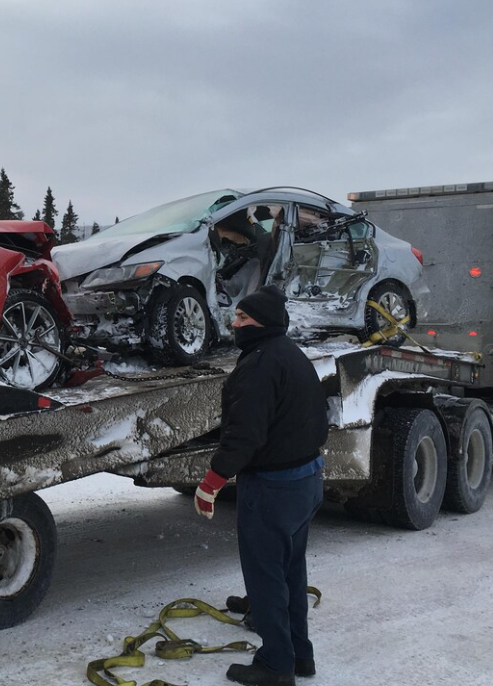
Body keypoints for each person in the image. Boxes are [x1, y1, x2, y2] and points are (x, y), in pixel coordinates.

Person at [193, 285, 329, 686]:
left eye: (242, 319)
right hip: (307, 481)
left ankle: (276, 665)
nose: (234, 324)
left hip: (273, 488)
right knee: (290, 572)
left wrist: (211, 482)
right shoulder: (293, 355)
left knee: (266, 576)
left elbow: (244, 435)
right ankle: (300, 655)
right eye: (235, 317)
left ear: (263, 324)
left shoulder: (259, 364)